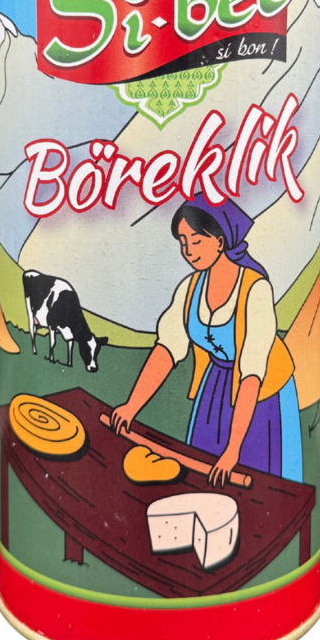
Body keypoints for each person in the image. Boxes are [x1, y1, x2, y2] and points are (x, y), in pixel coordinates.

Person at [111, 194, 303, 486]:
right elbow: (166, 350)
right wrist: (131, 407)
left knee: (256, 478)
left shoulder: (255, 290)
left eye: (196, 240)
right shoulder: (190, 288)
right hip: (215, 388)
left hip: (262, 395)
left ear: (220, 241)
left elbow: (251, 373)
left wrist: (233, 449)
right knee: (202, 475)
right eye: (183, 242)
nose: (188, 251)